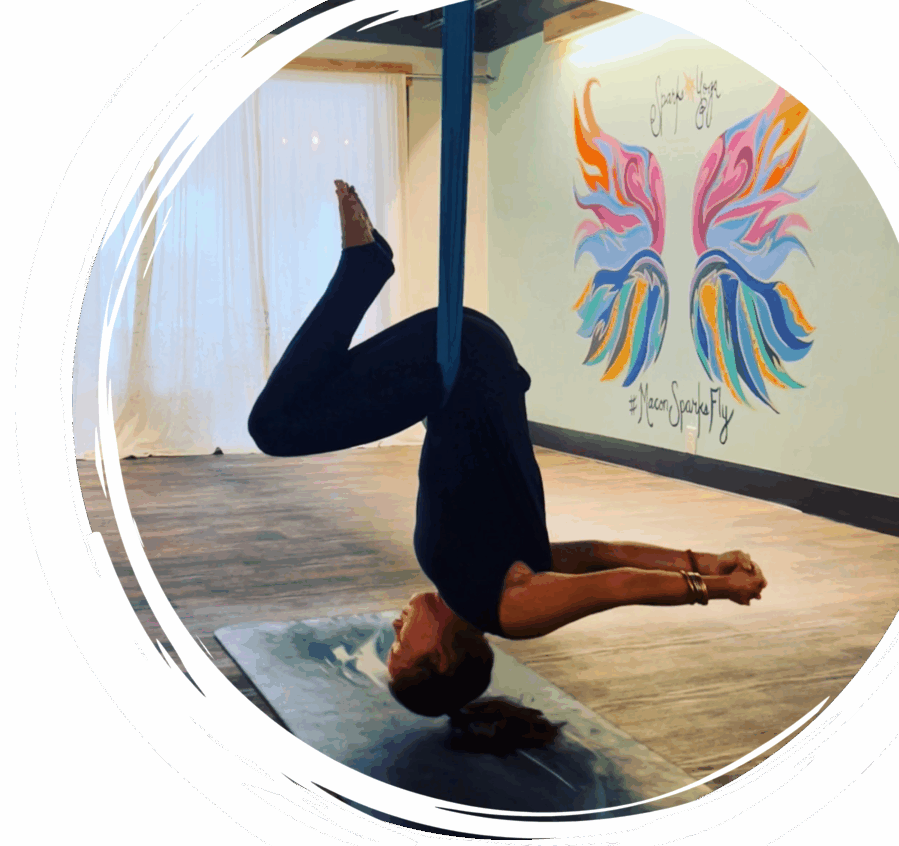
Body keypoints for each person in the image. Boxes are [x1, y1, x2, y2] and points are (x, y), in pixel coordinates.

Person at [248, 180, 767, 746]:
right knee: (274, 427)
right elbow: (613, 579)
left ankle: (364, 266)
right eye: (402, 646)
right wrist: (713, 586)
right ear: (442, 659)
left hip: (459, 369)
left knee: (291, 412)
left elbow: (600, 554)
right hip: (463, 368)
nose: (394, 627)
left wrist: (706, 559)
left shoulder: (478, 580)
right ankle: (362, 265)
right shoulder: (512, 611)